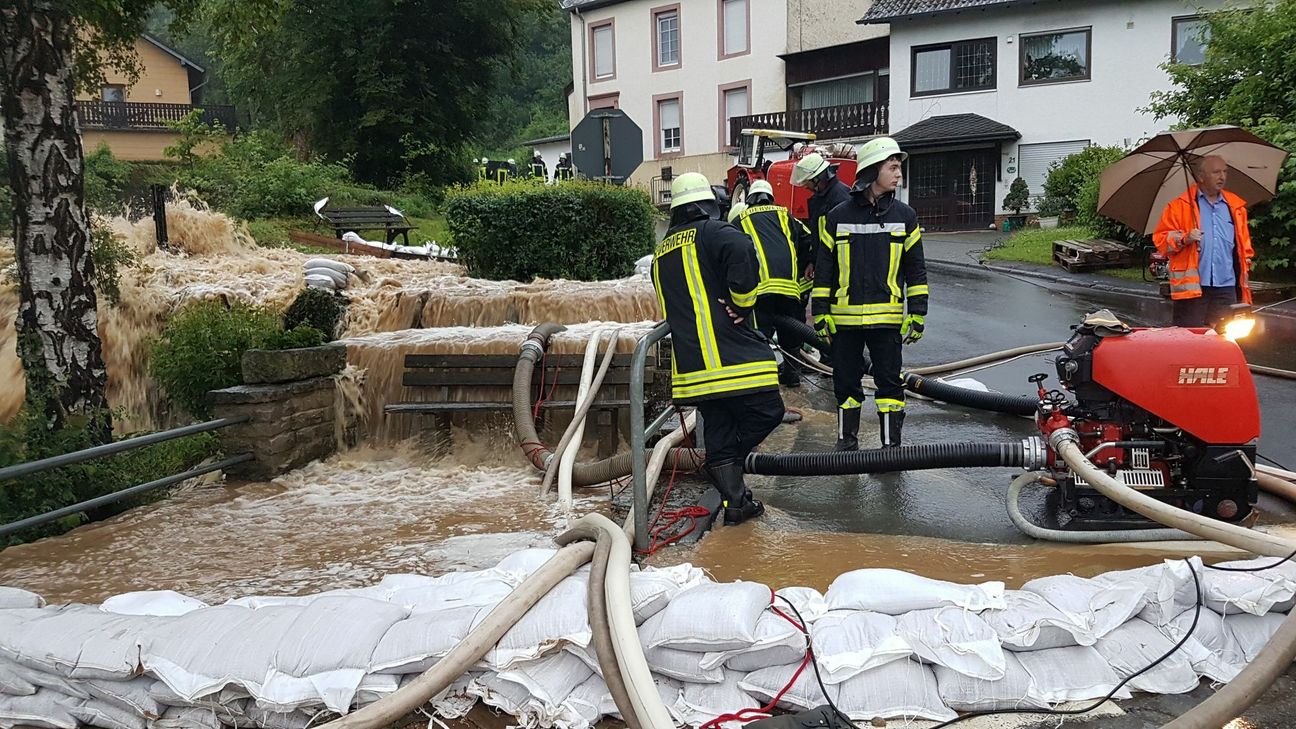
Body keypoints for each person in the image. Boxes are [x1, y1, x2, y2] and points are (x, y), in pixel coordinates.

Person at [651, 172, 785, 525]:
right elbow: (742, 249)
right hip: (731, 359)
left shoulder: (661, 253)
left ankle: (737, 502)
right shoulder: (714, 232)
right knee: (768, 411)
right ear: (705, 205)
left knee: (721, 429)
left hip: (693, 371)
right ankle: (723, 465)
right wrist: (742, 303)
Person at [812, 137, 928, 450]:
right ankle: (846, 445)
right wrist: (820, 312)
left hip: (887, 321)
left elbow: (916, 271)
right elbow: (825, 271)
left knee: (890, 385)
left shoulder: (906, 217)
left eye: (899, 167)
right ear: (872, 170)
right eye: (892, 167)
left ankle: (890, 450)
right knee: (845, 385)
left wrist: (918, 314)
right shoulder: (836, 217)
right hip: (844, 322)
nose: (899, 173)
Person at [1153, 155, 1255, 328]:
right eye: (1216, 172)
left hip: (1226, 286)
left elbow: (1244, 247)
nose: (1222, 176)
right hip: (1193, 289)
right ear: (1201, 176)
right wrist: (1184, 238)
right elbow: (1161, 241)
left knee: (1225, 341)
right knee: (1190, 341)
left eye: (1225, 171)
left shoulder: (1236, 208)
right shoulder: (1179, 207)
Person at [730, 180, 813, 388]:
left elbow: (733, 253)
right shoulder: (786, 215)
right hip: (789, 289)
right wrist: (803, 268)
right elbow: (808, 239)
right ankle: (792, 377)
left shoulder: (740, 219)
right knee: (792, 335)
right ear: (770, 197)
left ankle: (764, 383)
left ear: (749, 200)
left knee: (760, 336)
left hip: (761, 291)